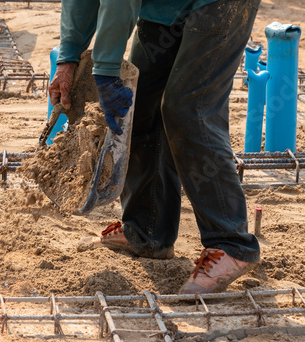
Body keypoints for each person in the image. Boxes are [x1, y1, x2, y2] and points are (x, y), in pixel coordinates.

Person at [48, 0, 261, 294]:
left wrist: (107, 71)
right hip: (164, 6)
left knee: (188, 108)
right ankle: (148, 230)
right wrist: (68, 58)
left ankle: (231, 243)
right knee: (141, 99)